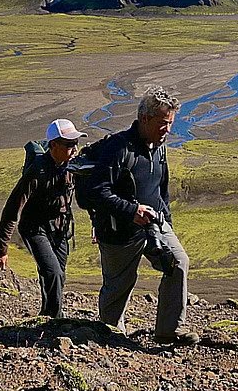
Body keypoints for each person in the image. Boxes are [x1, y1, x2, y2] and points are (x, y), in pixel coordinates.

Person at [79, 88, 198, 346]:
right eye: (163, 123)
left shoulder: (159, 147)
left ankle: (169, 330)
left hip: (155, 224)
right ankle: (112, 337)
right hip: (118, 229)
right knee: (119, 285)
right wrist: (132, 211)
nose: (167, 129)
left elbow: (161, 187)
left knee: (178, 262)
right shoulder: (118, 147)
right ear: (145, 119)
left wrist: (165, 220)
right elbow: (98, 190)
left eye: (170, 124)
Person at [0, 118, 86, 318]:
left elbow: (89, 195)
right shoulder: (37, 171)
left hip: (60, 228)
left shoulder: (73, 165)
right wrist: (1, 248)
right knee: (53, 272)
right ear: (53, 145)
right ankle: (55, 320)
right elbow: (12, 210)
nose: (74, 148)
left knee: (58, 276)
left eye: (76, 143)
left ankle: (47, 314)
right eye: (69, 144)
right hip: (35, 228)